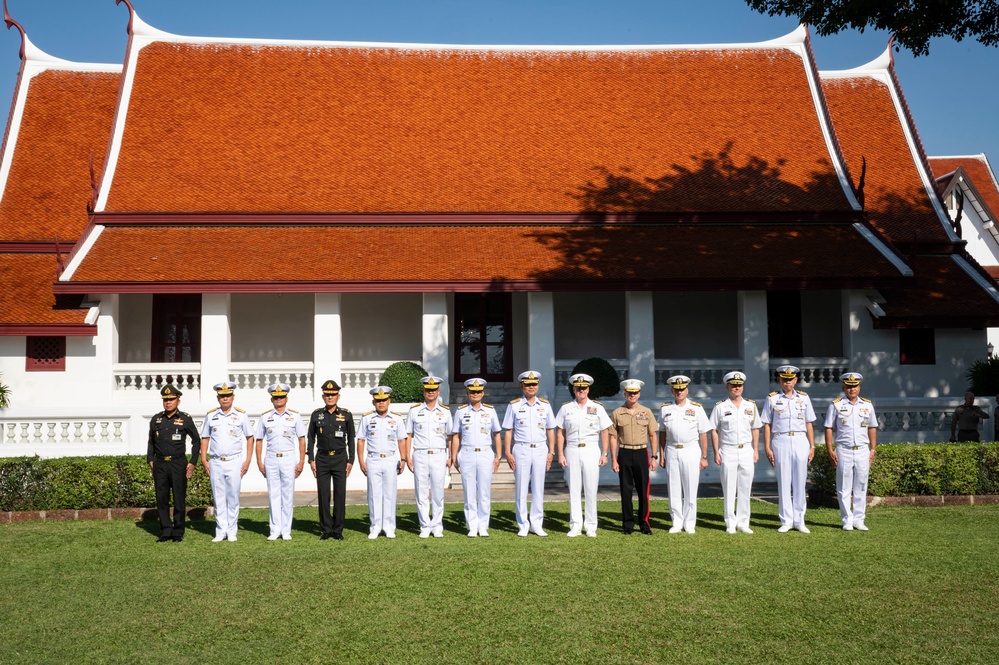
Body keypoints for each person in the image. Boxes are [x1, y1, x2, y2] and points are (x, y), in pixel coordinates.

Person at [762, 365, 817, 533]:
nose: (787, 382)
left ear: (796, 380)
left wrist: (812, 445)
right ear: (779, 380)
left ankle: (799, 520)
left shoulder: (804, 398)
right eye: (784, 379)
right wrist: (767, 447)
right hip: (781, 440)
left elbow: (809, 423)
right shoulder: (771, 399)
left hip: (800, 440)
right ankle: (786, 520)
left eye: (790, 379)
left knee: (800, 481)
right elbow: (767, 424)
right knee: (784, 481)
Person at [556, 373, 612, 537]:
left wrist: (605, 453)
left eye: (584, 388)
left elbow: (605, 431)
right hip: (572, 449)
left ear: (588, 389)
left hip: (591, 449)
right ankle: (575, 525)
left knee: (590, 488)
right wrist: (560, 453)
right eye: (578, 388)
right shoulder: (566, 408)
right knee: (574, 489)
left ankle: (591, 526)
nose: (581, 390)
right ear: (573, 389)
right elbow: (560, 432)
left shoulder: (597, 407)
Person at [502, 370, 557, 537]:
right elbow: (508, 431)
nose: (531, 387)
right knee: (521, 487)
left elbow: (550, 430)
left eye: (534, 384)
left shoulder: (545, 405)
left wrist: (551, 452)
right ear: (522, 386)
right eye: (528, 385)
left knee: (538, 488)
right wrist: (507, 453)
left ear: (538, 386)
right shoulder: (514, 405)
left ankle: (537, 524)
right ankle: (523, 524)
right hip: (521, 448)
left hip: (541, 448)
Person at [199, 381, 253, 542]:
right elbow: (205, 438)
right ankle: (220, 530)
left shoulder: (241, 415)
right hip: (216, 461)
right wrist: (203, 459)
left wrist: (248, 461)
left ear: (233, 397)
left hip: (234, 460)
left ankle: (232, 530)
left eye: (228, 395)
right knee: (218, 497)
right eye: (222, 396)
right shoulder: (211, 416)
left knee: (233, 496)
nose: (225, 399)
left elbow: (250, 438)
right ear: (218, 398)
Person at [658, 375, 712, 534]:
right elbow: (662, 432)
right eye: (676, 389)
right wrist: (661, 454)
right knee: (673, 487)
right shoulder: (665, 408)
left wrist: (704, 457)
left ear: (687, 390)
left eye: (682, 389)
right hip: (672, 449)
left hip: (691, 450)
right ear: (672, 390)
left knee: (690, 487)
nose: (679, 392)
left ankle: (689, 523)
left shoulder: (697, 408)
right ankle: (676, 521)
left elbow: (703, 434)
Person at [825, 372, 878, 531]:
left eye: (854, 386)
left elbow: (872, 427)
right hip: (844, 450)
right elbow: (828, 427)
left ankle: (859, 519)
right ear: (843, 388)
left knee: (861, 485)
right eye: (849, 386)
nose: (852, 389)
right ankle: (847, 519)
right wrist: (830, 449)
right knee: (844, 487)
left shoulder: (867, 405)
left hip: (862, 449)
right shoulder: (836, 405)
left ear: (859, 387)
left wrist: (873, 449)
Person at [709, 371, 761, 534]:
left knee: (746, 487)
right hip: (728, 450)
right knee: (729, 487)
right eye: (733, 385)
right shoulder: (720, 407)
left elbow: (755, 428)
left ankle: (743, 522)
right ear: (727, 387)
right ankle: (730, 522)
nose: (736, 388)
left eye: (739, 385)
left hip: (746, 449)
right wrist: (716, 452)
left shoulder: (750, 406)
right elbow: (714, 430)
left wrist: (755, 449)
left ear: (742, 387)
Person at [449, 378, 502, 537]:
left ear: (483, 393)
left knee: (485, 491)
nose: (475, 394)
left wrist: (498, 456)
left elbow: (497, 434)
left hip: (485, 453)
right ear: (467, 393)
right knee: (469, 492)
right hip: (467, 453)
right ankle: (472, 525)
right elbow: (456, 435)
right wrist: (454, 456)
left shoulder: (490, 411)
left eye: (478, 391)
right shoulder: (461, 411)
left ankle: (483, 525)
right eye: (472, 391)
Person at [254, 382, 307, 541]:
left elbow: (302, 440)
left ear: (286, 398)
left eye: (281, 397)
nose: (279, 399)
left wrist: (301, 461)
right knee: (274, 494)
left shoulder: (295, 416)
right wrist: (259, 461)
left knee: (287, 495)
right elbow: (258, 440)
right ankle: (274, 529)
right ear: (272, 399)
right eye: (276, 397)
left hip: (288, 458)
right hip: (271, 458)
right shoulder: (265, 417)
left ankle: (286, 530)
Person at [146, 385, 199, 542]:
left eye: (171, 399)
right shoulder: (156, 419)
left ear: (178, 401)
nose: (168, 402)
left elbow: (196, 440)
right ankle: (165, 531)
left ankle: (178, 532)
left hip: (178, 463)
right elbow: (151, 441)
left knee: (178, 498)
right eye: (165, 400)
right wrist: (150, 459)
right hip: (160, 463)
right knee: (161, 498)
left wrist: (193, 462)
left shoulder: (185, 419)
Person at [357, 386, 409, 539]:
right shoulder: (367, 418)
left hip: (390, 459)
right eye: (378, 400)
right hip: (373, 459)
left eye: (384, 400)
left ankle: (389, 526)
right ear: (374, 402)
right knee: (374, 494)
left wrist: (404, 458)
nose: (381, 403)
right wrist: (361, 461)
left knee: (389, 494)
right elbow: (360, 440)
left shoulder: (397, 418)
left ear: (389, 401)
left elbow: (402, 440)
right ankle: (375, 526)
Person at [307, 379, 355, 541]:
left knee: (340, 494)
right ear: (323, 396)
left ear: (338, 396)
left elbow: (352, 439)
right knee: (323, 494)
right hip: (322, 458)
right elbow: (311, 438)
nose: (330, 397)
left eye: (333, 395)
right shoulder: (316, 415)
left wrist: (351, 460)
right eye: (327, 395)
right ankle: (326, 529)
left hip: (340, 458)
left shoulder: (346, 415)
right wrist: (311, 459)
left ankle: (338, 529)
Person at [609, 379, 658, 535]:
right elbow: (613, 437)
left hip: (641, 453)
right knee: (626, 490)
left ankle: (644, 523)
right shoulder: (617, 413)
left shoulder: (646, 412)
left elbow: (653, 435)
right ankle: (628, 525)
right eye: (630, 393)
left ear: (639, 394)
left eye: (635, 392)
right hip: (624, 453)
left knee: (643, 490)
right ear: (625, 393)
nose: (632, 395)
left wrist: (654, 456)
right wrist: (613, 459)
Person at [406, 375, 453, 538]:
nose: (430, 392)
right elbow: (409, 435)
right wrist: (407, 456)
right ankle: (425, 525)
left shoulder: (445, 412)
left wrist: (451, 456)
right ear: (423, 391)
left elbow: (450, 436)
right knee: (421, 492)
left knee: (438, 492)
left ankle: (437, 525)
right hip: (420, 454)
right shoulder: (414, 410)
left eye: (433, 389)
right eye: (428, 389)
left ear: (438, 391)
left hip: (439, 454)